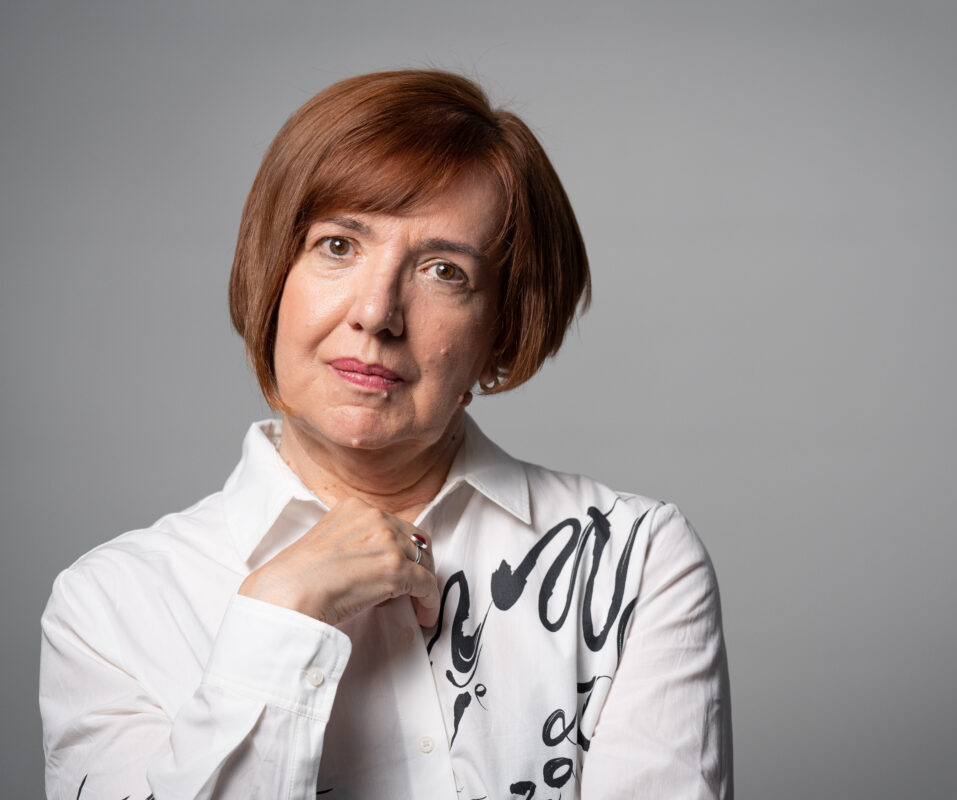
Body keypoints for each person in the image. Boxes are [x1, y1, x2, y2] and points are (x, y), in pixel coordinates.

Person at [40, 70, 732, 799]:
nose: (376, 313)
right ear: (272, 276)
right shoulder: (111, 607)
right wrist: (283, 613)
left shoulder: (632, 561)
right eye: (338, 245)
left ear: (500, 331)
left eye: (443, 271)